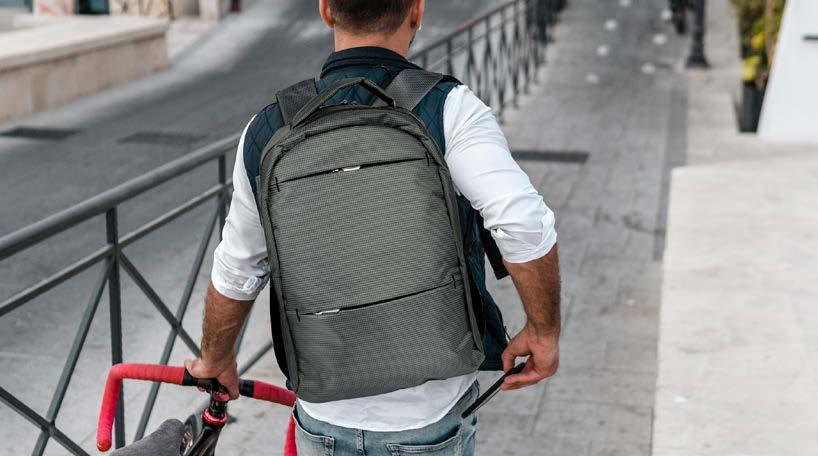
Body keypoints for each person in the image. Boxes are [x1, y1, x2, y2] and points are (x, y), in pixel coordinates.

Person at [185, 1, 561, 454]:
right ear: (417, 11)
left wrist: (216, 357)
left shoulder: (268, 128)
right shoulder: (448, 109)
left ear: (326, 10)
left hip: (323, 414)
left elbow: (238, 268)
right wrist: (543, 331)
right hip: (429, 415)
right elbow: (522, 222)